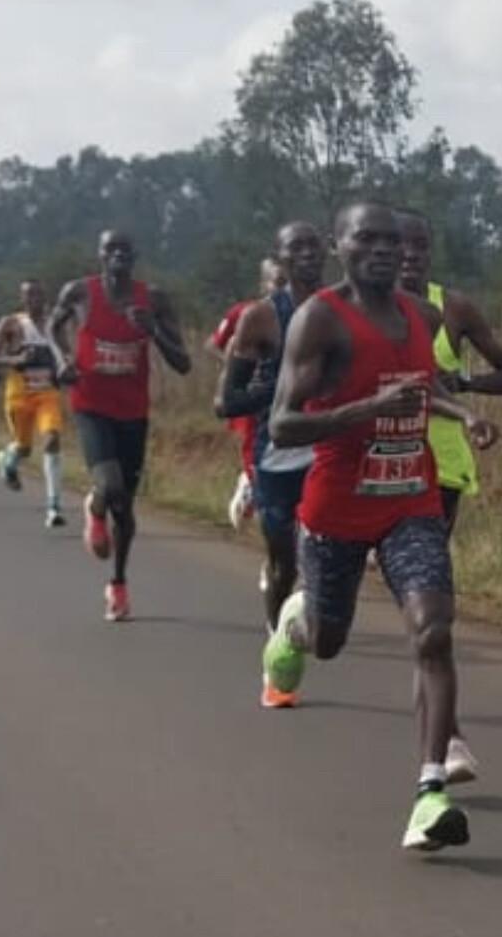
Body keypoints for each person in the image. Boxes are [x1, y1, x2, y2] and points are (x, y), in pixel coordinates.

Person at [262, 201, 498, 852]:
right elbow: (282, 424)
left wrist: (461, 410)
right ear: (338, 245)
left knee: (434, 631)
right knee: (327, 641)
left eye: (392, 240)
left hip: (410, 502)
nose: (384, 250)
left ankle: (430, 793)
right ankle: (296, 621)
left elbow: (425, 387)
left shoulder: (423, 316)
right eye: (366, 238)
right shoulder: (319, 319)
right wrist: (368, 407)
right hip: (336, 510)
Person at [395, 207, 502, 781]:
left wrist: (465, 384)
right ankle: (296, 617)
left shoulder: (453, 310)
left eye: (419, 246)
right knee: (332, 621)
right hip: (373, 471)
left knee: (428, 613)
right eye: (399, 245)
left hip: (441, 471)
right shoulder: (353, 313)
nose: (409, 256)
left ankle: (446, 739)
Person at [47, 230, 192, 620]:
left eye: (125, 249)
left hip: (132, 412)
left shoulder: (154, 299)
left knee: (125, 507)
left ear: (135, 256)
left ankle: (118, 584)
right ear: (99, 255)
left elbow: (183, 363)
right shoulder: (80, 292)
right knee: (109, 485)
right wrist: (62, 360)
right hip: (90, 404)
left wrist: (153, 330)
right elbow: (53, 327)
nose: (118, 255)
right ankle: (96, 508)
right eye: (110, 249)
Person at [215, 223, 325, 707]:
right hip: (277, 459)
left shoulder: (341, 309)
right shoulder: (261, 317)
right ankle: (276, 651)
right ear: (279, 257)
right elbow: (228, 401)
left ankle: (296, 636)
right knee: (283, 567)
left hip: (328, 455)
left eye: (314, 245)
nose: (307, 254)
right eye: (295, 247)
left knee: (320, 559)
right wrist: (278, 393)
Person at [210, 258, 286, 532]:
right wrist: (238, 368)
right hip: (255, 397)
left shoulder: (312, 311)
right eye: (278, 282)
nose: (284, 288)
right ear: (264, 284)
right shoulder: (246, 313)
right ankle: (251, 486)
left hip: (292, 400)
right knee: (256, 446)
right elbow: (215, 344)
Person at [0, 280, 67, 526]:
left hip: (47, 393)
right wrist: (15, 360)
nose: (34, 299)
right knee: (24, 448)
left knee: (52, 439)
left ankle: (53, 507)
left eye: (38, 294)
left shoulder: (53, 325)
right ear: (22, 298)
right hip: (19, 395)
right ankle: (7, 459)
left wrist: (66, 366)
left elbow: (66, 352)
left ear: (45, 297)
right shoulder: (10, 323)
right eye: (28, 295)